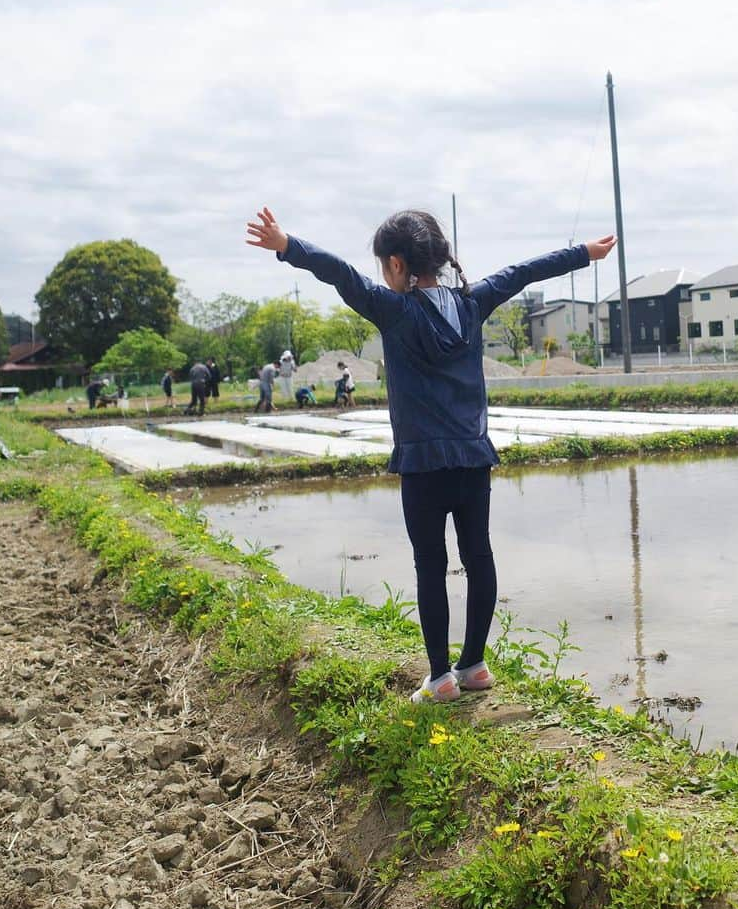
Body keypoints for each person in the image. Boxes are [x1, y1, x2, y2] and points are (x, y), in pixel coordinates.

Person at [246, 204, 616, 704]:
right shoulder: (474, 302)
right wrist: (584, 254)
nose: (381, 274)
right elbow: (526, 272)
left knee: (430, 565)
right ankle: (476, 665)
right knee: (479, 555)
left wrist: (289, 246)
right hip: (472, 457)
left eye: (384, 266)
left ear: (397, 264)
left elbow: (339, 274)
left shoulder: (394, 308)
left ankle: (441, 675)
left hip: (423, 463)